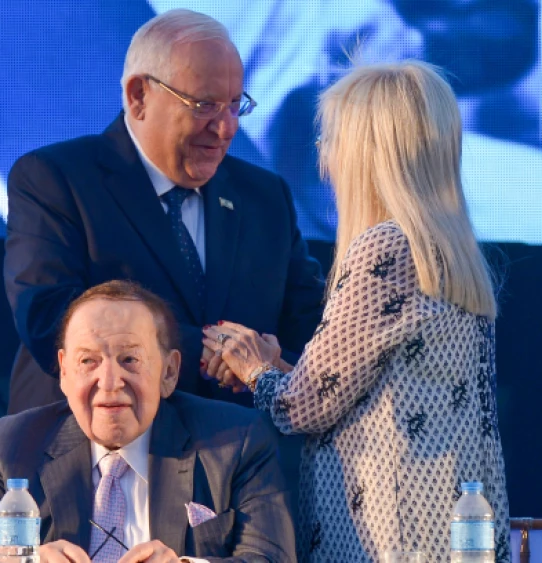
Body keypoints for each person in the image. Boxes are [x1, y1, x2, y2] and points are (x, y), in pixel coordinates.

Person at [203, 61, 511, 561]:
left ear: (371, 153)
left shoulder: (384, 251)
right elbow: (365, 392)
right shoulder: (448, 254)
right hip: (450, 531)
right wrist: (278, 367)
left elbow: (298, 408)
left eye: (333, 140)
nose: (326, 160)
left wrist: (254, 366)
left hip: (389, 536)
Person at [4, 9, 325, 414]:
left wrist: (269, 363)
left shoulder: (265, 197)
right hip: (88, 457)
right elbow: (51, 320)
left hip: (236, 463)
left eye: (233, 105)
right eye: (205, 105)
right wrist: (222, 354)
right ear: (139, 96)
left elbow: (311, 327)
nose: (226, 128)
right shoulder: (56, 180)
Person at [0, 280, 296, 563]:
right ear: (64, 372)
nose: (110, 381)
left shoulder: (237, 442)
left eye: (130, 359)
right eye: (88, 361)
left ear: (169, 372)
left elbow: (269, 557)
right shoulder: (5, 448)